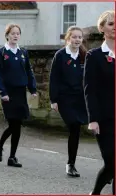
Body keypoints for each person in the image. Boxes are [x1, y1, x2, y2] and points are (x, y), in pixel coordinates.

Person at [0, 23, 37, 167]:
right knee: (13, 124)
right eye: (13, 33)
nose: (15, 36)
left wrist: (33, 89)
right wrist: (3, 92)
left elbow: (28, 71)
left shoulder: (23, 52)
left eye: (17, 33)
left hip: (20, 92)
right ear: (7, 35)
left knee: (18, 125)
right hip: (8, 93)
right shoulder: (1, 52)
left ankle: (11, 156)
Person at [49, 26, 87, 177]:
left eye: (79, 37)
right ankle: (71, 164)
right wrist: (53, 99)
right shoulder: (60, 55)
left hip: (80, 98)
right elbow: (54, 78)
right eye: (74, 37)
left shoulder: (85, 55)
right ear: (68, 38)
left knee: (76, 129)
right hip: (65, 98)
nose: (77, 40)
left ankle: (71, 163)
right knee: (73, 124)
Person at [84, 10, 115, 195]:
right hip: (104, 119)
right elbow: (90, 89)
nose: (115, 27)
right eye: (111, 24)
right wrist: (93, 118)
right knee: (112, 163)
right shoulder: (94, 56)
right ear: (102, 28)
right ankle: (95, 193)